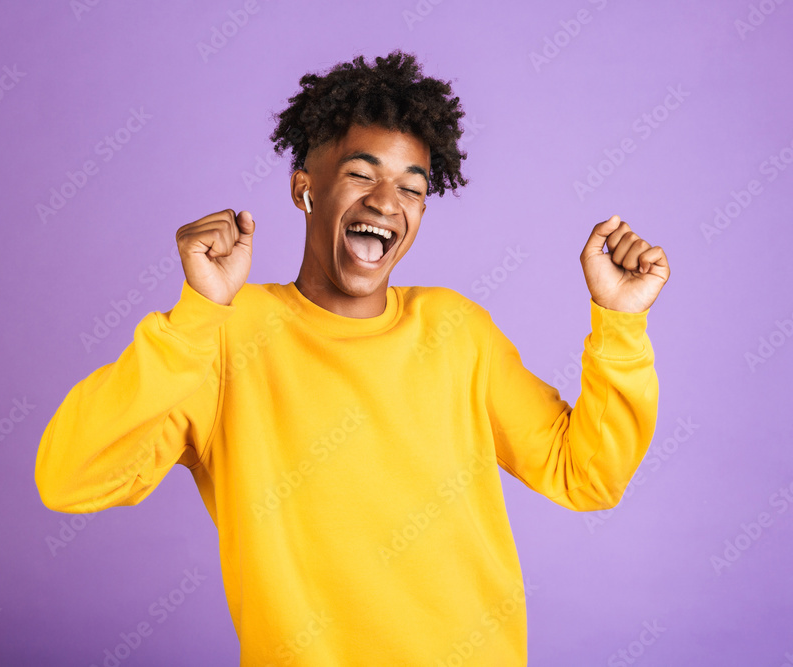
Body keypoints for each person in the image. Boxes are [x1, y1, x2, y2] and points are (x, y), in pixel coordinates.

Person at [34, 49, 669, 665]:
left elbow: (586, 475)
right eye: (362, 175)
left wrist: (621, 321)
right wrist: (197, 314)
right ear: (304, 189)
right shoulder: (225, 335)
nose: (387, 202)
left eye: (412, 190)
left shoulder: (457, 331)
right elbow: (73, 477)